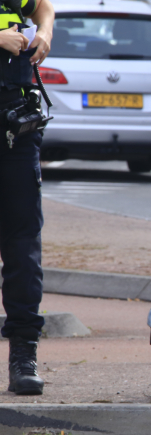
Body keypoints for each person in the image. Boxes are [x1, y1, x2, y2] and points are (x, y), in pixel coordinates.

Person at [0, 0, 55, 395]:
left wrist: (46, 33)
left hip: (16, 125)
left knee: (23, 245)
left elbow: (43, 7)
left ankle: (23, 355)